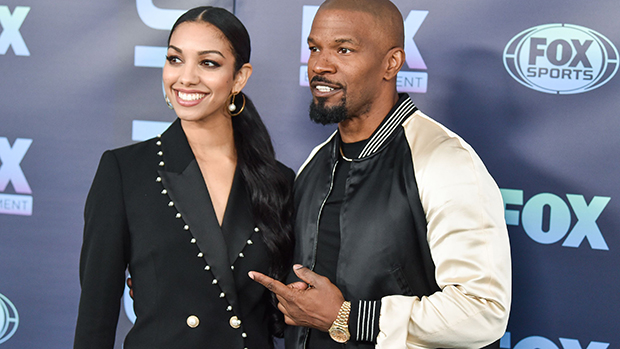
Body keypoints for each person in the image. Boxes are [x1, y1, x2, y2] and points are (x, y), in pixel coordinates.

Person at [249, 0, 511, 348]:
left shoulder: (444, 160)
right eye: (314, 48)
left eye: (343, 49)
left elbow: (484, 311)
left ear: (391, 63)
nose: (320, 65)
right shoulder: (316, 161)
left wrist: (349, 317)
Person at [74, 7, 294, 349]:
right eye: (175, 59)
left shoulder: (278, 182)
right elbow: (94, 321)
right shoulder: (124, 171)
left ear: (239, 77)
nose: (186, 78)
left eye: (208, 63)